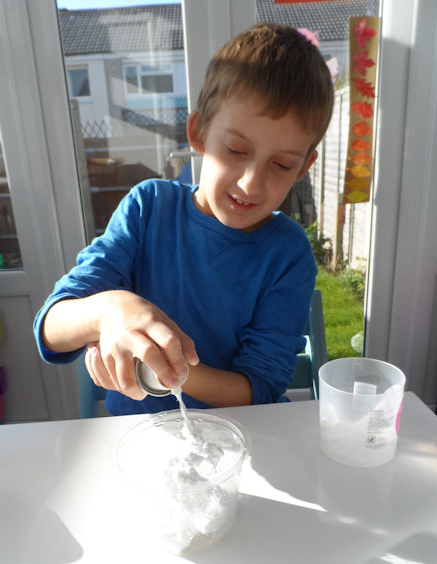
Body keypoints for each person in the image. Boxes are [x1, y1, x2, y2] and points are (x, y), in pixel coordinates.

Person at [34, 23, 334, 416]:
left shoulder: (289, 253)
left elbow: (260, 388)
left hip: (244, 439)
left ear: (303, 168)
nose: (251, 182)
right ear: (199, 133)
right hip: (140, 440)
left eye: (281, 164)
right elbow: (50, 329)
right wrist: (108, 312)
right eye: (235, 149)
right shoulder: (148, 209)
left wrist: (161, 365)